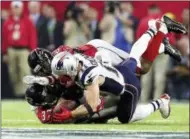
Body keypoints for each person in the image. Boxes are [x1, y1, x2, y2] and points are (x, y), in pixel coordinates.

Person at [27, 16, 186, 123]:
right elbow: (60, 80)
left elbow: (92, 103)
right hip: (99, 66)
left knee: (138, 66)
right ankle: (159, 43)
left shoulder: (67, 60)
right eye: (41, 72)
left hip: (99, 53)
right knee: (137, 64)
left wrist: (71, 114)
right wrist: (45, 82)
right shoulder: (62, 65)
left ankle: (156, 29)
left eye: (43, 70)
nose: (45, 73)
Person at [2, 1, 37, 98]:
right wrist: (4, 52)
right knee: (13, 72)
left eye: (18, 8)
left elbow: (32, 36)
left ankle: (26, 93)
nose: (16, 10)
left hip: (24, 50)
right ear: (11, 9)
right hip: (11, 50)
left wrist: (32, 50)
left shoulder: (28, 21)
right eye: (14, 8)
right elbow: (4, 38)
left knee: (25, 71)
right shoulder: (7, 22)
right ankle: (17, 94)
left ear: (21, 9)